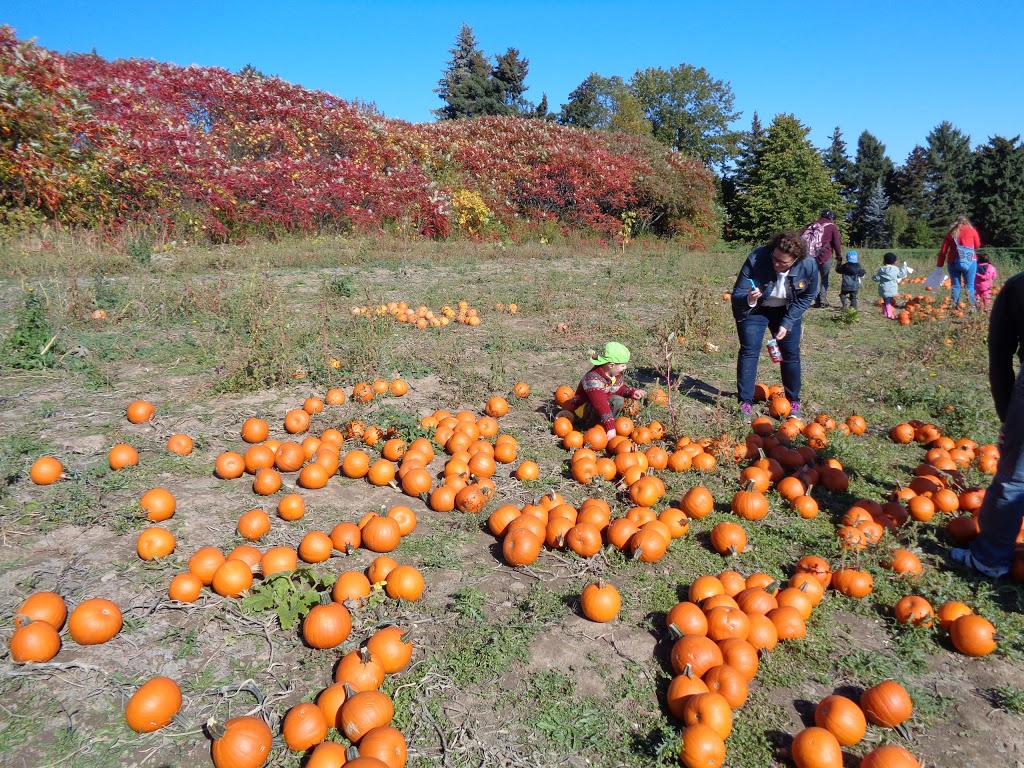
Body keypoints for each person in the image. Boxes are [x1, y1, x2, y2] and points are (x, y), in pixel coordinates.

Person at [950, 269, 1024, 579]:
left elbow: (1000, 352)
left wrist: (1008, 414)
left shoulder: (1019, 287)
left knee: (1016, 475)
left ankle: (990, 558)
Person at [730, 230, 818, 417]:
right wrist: (749, 297)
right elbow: (737, 294)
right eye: (774, 258)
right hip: (755, 309)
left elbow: (809, 295)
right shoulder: (758, 257)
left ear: (796, 260)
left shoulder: (808, 265)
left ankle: (793, 402)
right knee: (749, 351)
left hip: (786, 309)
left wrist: (787, 322)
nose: (776, 263)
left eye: (782, 262)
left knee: (790, 353)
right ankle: (745, 402)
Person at [557, 342, 646, 438]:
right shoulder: (593, 379)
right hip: (583, 408)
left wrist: (631, 392)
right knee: (617, 401)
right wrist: (611, 426)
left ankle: (604, 423)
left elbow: (620, 388)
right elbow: (600, 403)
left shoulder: (614, 375)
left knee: (617, 400)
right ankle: (591, 425)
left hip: (601, 403)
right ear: (611, 365)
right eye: (623, 365)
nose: (625, 368)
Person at [936, 215, 982, 309]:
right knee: (969, 285)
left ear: (956, 222)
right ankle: (972, 307)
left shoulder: (950, 233)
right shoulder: (972, 231)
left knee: (955, 285)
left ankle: (954, 306)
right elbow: (977, 245)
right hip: (970, 260)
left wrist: (939, 266)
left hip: (953, 261)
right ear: (967, 222)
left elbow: (943, 251)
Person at [801, 209, 843, 307]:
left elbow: (800, 236)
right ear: (831, 218)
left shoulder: (811, 225)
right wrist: (839, 256)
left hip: (810, 256)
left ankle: (816, 299)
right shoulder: (832, 227)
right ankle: (823, 299)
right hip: (825, 255)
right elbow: (837, 243)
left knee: (813, 277)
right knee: (824, 278)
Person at [872, 252, 908, 319]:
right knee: (888, 300)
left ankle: (888, 313)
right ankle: (886, 312)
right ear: (894, 262)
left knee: (886, 301)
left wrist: (873, 277)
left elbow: (877, 278)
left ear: (884, 261)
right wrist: (904, 266)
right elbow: (901, 274)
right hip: (893, 289)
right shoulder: (895, 269)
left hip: (884, 289)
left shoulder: (882, 269)